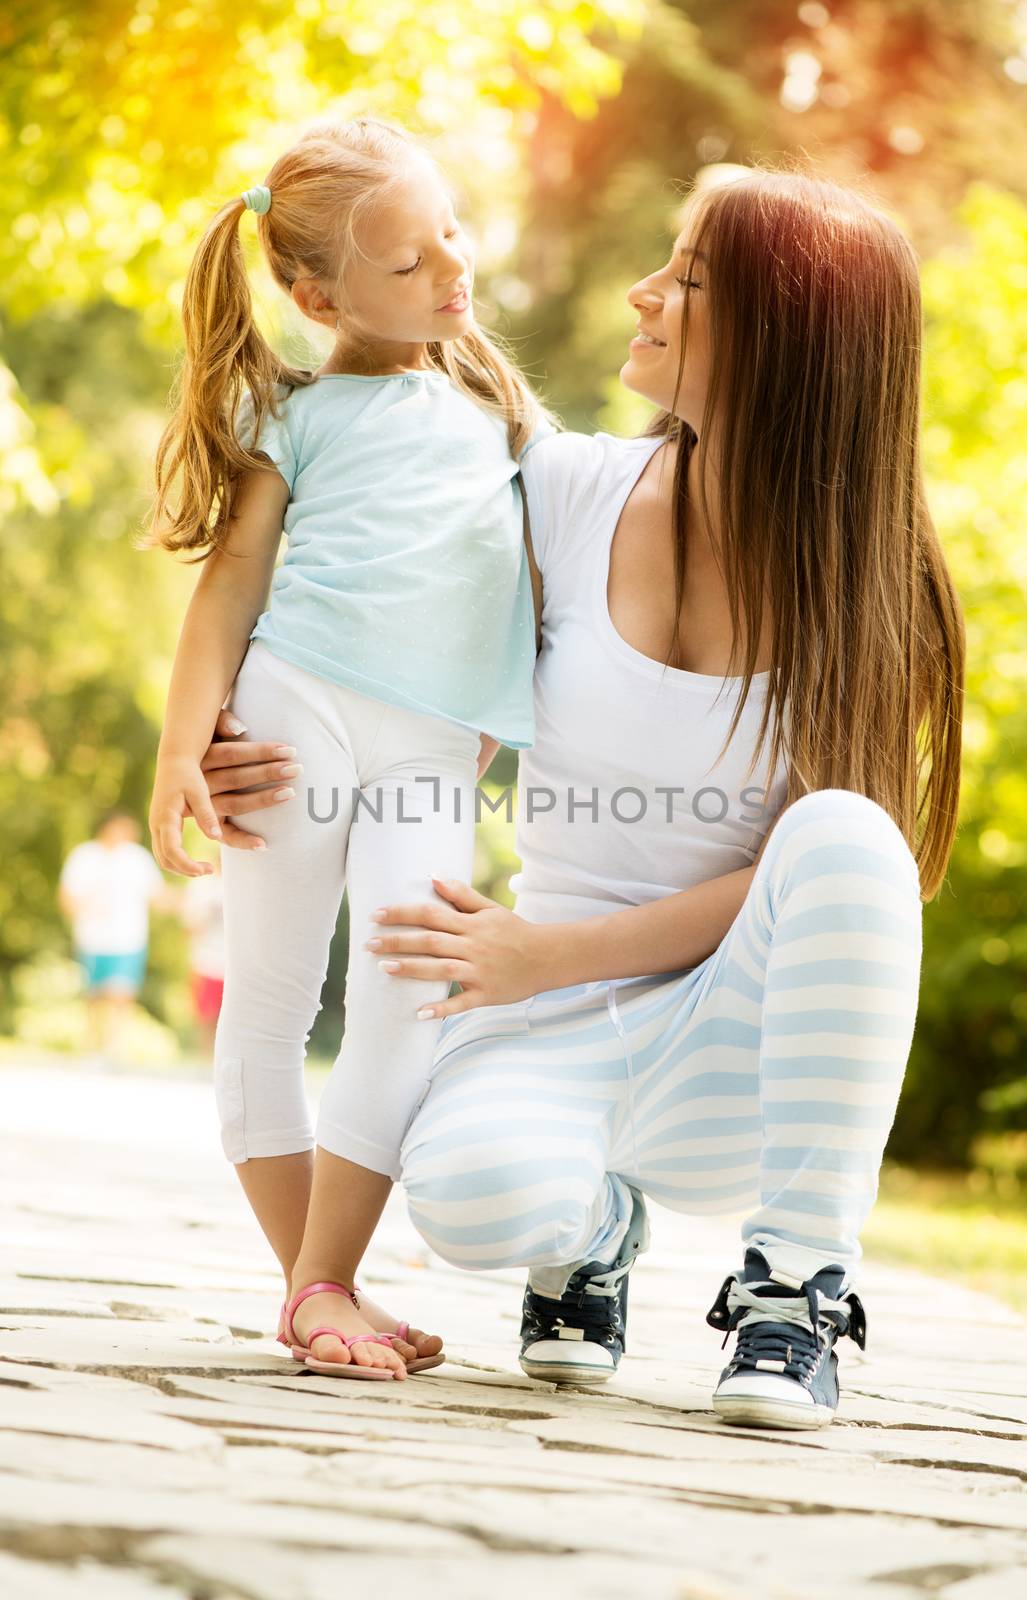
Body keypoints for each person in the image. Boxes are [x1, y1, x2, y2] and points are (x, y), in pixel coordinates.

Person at [193, 167, 965, 1430]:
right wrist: (240, 727)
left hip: (728, 1045)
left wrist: (545, 952)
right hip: (545, 1022)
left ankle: (793, 1285)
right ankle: (594, 1224)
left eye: (688, 280)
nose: (641, 292)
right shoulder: (560, 492)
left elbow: (829, 883)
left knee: (848, 840)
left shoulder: (872, 585)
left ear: (787, 337)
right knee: (467, 1201)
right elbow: (366, 602)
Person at [145, 118, 552, 1382]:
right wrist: (177, 752)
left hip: (430, 743)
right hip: (294, 714)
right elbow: (229, 588)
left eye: (452, 234)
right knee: (270, 1002)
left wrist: (495, 724)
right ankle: (319, 1286)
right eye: (409, 264)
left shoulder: (499, 412)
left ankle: (323, 1283)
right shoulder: (296, 413)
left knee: (408, 992)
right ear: (316, 294)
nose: (451, 271)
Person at [58, 810, 169, 1061]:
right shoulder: (85, 856)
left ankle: (114, 1048)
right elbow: (67, 897)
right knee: (94, 995)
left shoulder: (137, 858)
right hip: (92, 938)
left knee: (122, 992)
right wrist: (86, 908)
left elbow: (158, 896)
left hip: (128, 939)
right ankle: (92, 1046)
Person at [179, 854, 226, 1058]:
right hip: (207, 960)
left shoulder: (251, 885)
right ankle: (204, 1059)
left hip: (239, 964)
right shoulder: (203, 887)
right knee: (206, 1016)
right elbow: (189, 926)